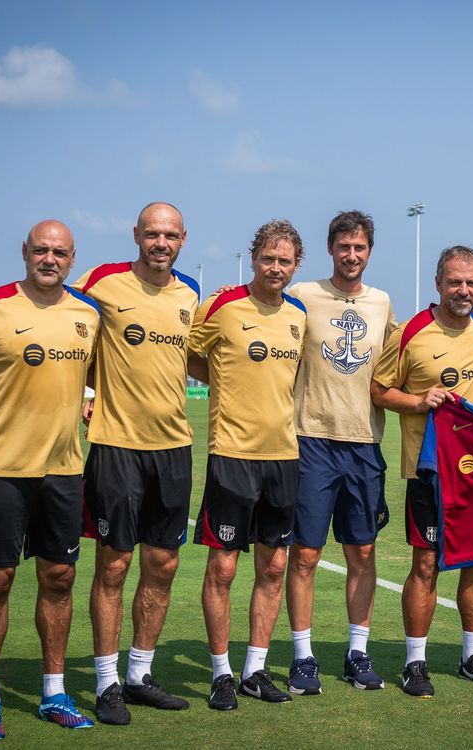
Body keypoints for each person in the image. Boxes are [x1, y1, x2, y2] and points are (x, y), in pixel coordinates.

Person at [0, 202, 201, 725]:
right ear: (135, 235)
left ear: (182, 240)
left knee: (158, 564)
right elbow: (44, 303)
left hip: (168, 448)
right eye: (151, 233)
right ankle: (98, 683)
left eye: (170, 235)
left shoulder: (192, 294)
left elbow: (199, 354)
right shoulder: (98, 285)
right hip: (109, 446)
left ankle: (137, 675)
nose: (160, 242)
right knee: (108, 564)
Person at [0, 220, 100, 740]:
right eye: (40, 250)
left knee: (60, 579)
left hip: (64, 470)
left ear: (73, 259)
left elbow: (101, 372)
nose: (49, 259)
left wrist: (92, 402)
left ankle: (53, 692)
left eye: (60, 252)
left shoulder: (88, 313)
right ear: (24, 252)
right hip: (0, 469)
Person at [371, 245, 473, 698]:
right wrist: (418, 401)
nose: (462, 290)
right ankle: (414, 663)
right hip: (428, 471)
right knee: (425, 563)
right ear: (438, 283)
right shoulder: (411, 331)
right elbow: (379, 389)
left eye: (471, 282)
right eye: (454, 282)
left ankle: (472, 656)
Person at [190, 219, 308, 711]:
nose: (275, 268)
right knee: (222, 567)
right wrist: (222, 379)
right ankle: (220, 673)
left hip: (284, 457)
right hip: (232, 456)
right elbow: (190, 356)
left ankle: (255, 670)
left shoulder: (300, 313)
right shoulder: (221, 305)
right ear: (253, 258)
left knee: (275, 565)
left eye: (284, 261)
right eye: (268, 258)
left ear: (296, 265)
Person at [283, 210, 397, 695]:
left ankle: (356, 653)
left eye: (360, 248)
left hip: (365, 444)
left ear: (369, 252)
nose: (352, 256)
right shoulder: (303, 295)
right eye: (344, 247)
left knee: (363, 552)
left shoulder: (382, 303)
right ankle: (303, 657)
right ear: (331, 249)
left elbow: (403, 351)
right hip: (311, 441)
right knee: (305, 554)